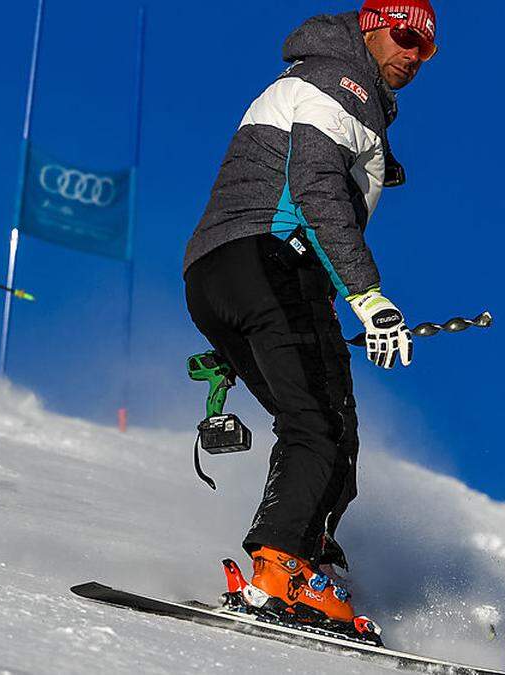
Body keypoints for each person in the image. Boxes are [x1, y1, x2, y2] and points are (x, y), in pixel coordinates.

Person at [182, 0, 438, 628]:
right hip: (271, 257)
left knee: (330, 421)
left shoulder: (333, 86)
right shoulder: (338, 83)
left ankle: (310, 558)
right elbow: (316, 191)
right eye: (405, 37)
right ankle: (281, 567)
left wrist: (243, 332)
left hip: (222, 274)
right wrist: (370, 299)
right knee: (318, 422)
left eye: (425, 49)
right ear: (374, 26)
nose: (412, 55)